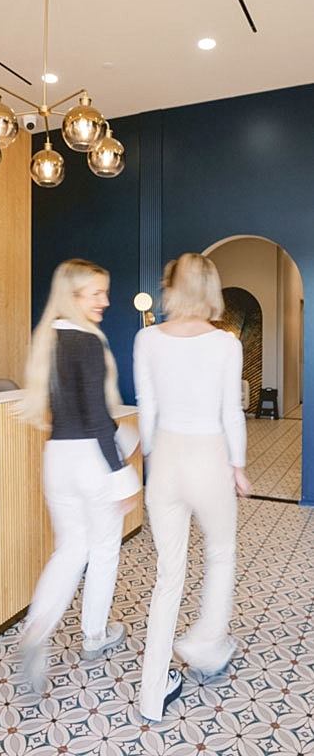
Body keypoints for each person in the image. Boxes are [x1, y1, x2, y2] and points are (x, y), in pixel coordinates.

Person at [133, 252, 251, 722]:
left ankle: (151, 692)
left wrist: (149, 457)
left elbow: (148, 410)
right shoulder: (225, 344)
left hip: (164, 460)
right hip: (209, 459)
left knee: (168, 575)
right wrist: (238, 464)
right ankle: (206, 641)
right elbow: (230, 412)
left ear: (171, 287)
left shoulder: (146, 338)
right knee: (221, 552)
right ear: (211, 290)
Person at [16, 258, 140, 692]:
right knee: (104, 548)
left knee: (69, 549)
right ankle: (94, 635)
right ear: (73, 296)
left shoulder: (48, 340)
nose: (105, 301)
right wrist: (123, 476)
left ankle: (36, 629)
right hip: (91, 460)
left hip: (57, 458)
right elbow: (95, 418)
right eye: (96, 294)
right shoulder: (87, 343)